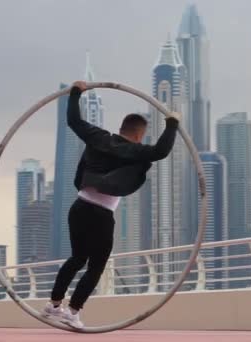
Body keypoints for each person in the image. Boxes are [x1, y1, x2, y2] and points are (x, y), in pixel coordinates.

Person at [43, 80, 181, 328]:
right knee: (96, 266)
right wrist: (172, 123)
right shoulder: (135, 151)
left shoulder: (98, 137)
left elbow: (73, 121)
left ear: (121, 127)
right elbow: (161, 151)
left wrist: (75, 93)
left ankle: (53, 305)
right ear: (139, 134)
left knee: (77, 258)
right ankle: (73, 312)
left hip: (79, 206)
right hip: (100, 214)